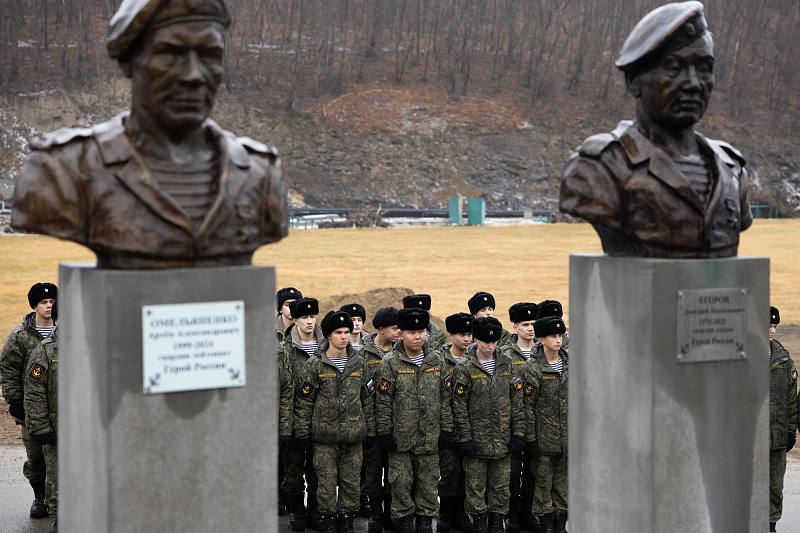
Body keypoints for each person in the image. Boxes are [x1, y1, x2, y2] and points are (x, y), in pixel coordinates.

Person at [11, 0, 288, 269]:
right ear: (128, 62)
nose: (193, 75)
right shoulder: (62, 171)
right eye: (170, 53)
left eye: (209, 55)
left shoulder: (260, 174)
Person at [559, 0, 752, 258]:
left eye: (704, 68)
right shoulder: (599, 168)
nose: (694, 84)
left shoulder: (732, 169)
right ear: (634, 81)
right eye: (674, 67)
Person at [295, 311, 374, 533]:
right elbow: (304, 402)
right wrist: (302, 434)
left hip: (353, 436)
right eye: (338, 332)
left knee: (351, 482)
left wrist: (368, 431)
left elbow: (368, 399)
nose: (344, 337)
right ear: (329, 335)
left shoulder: (359, 363)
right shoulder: (315, 365)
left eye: (347, 332)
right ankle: (328, 519)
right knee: (326, 484)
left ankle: (346, 519)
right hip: (324, 437)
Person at [375, 308, 453, 533]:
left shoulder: (436, 360)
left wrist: (446, 429)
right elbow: (382, 402)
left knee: (429, 484)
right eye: (412, 332)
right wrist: (385, 432)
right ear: (400, 334)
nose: (418, 336)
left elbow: (445, 398)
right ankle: (405, 522)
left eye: (421, 331)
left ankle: (425, 522)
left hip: (430, 438)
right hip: (400, 440)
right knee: (401, 483)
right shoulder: (390, 363)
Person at [451, 316, 525, 533]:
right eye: (485, 342)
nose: (490, 346)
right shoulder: (464, 368)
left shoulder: (507, 365)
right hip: (476, 443)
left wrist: (518, 434)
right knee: (475, 488)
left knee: (501, 489)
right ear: (476, 340)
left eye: (493, 342)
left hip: (502, 443)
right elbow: (459, 406)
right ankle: (480, 524)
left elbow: (517, 402)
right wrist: (465, 438)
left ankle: (496, 524)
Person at [0, 282, 57, 519]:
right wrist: (15, 403)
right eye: (44, 302)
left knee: (56, 459)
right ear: (34, 305)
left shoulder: (63, 333)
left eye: (52, 302)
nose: (49, 306)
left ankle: (58, 503)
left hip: (56, 408)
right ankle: (39, 498)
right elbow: (8, 369)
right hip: (30, 410)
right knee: (36, 457)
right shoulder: (20, 336)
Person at [522, 317, 569, 533]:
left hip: (567, 441)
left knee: (563, 489)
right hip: (543, 441)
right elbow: (527, 406)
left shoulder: (570, 364)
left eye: (560, 336)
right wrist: (530, 438)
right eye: (553, 336)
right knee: (543, 488)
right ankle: (546, 527)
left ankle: (560, 527)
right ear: (541, 339)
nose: (558, 341)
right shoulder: (533, 368)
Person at [282, 297, 324, 531]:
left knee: (317, 471)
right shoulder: (284, 349)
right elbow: (284, 392)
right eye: (304, 317)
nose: (309, 321)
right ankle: (297, 510)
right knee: (294, 472)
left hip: (320, 420)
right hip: (293, 421)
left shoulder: (327, 346)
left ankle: (315, 510)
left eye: (312, 316)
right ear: (295, 320)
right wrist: (285, 427)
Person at [358, 307, 402, 532]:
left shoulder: (401, 352)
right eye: (394, 328)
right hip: (370, 425)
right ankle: (375, 512)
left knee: (395, 473)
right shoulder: (362, 354)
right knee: (373, 472)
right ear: (381, 329)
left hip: (396, 425)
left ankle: (391, 512)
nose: (398, 332)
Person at [501, 303, 539, 533]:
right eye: (525, 324)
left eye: (534, 324)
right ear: (514, 327)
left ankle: (528, 512)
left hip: (538, 421)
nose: (530, 329)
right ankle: (512, 512)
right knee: (512, 471)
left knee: (534, 471)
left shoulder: (542, 352)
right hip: (512, 421)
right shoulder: (505, 354)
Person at [24, 302, 59, 533]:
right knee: (57, 478)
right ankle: (61, 518)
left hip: (89, 428)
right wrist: (40, 427)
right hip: (57, 429)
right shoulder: (46, 351)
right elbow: (34, 390)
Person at [438, 312, 474, 533]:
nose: (467, 339)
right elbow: (438, 398)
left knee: (466, 473)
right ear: (450, 335)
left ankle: (460, 513)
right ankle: (445, 514)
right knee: (448, 472)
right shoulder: (439, 361)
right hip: (447, 428)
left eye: (470, 334)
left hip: (470, 428)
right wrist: (445, 427)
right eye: (462, 334)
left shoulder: (475, 360)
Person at [768, 306, 798, 532]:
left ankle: (770, 525)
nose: (771, 330)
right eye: (767, 325)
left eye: (774, 326)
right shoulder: (740, 357)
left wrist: (789, 432)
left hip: (777, 437)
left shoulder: (783, 359)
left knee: (775, 487)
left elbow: (791, 400)